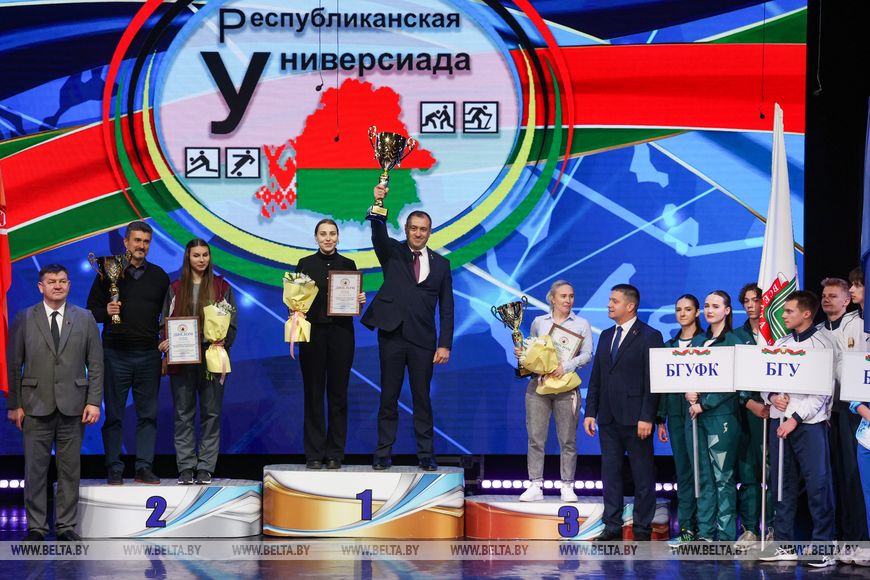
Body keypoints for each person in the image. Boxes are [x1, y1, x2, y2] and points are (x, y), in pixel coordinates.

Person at [6, 264, 103, 540]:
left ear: (69, 285)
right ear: (41, 287)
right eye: (51, 281)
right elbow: (14, 365)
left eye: (62, 281)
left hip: (74, 405)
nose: (57, 285)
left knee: (70, 471)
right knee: (35, 470)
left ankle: (66, 526)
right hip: (34, 405)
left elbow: (96, 364)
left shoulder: (84, 318)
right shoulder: (25, 317)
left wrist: (94, 401)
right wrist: (15, 404)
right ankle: (36, 527)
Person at [362, 185, 454, 471]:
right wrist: (378, 203)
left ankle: (425, 454)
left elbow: (447, 307)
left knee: (422, 398)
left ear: (430, 232)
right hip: (392, 336)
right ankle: (382, 453)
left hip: (423, 340)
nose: (418, 233)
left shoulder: (442, 265)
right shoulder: (392, 253)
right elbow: (378, 233)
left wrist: (445, 344)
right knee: (388, 396)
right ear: (406, 229)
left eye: (423, 229)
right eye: (413, 228)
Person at [87, 220, 170, 484]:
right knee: (114, 416)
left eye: (146, 242)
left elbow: (168, 317)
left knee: (148, 416)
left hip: (149, 356)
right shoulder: (107, 272)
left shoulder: (160, 277)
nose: (141, 246)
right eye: (137, 240)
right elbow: (89, 312)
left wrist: (167, 349)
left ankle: (144, 467)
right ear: (125, 242)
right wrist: (105, 312)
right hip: (115, 355)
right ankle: (114, 468)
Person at [759, 291, 836, 567]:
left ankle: (823, 546)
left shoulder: (822, 345)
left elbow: (823, 392)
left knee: (818, 486)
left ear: (806, 314)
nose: (783, 315)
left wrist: (794, 418)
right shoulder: (780, 343)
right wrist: (771, 397)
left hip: (808, 426)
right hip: (779, 424)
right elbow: (764, 379)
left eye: (789, 311)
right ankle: (784, 544)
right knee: (782, 486)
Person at [583, 284, 663, 541]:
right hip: (608, 418)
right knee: (610, 474)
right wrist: (590, 411)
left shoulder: (650, 336)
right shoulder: (606, 335)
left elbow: (653, 380)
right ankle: (612, 525)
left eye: (614, 301)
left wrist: (648, 416)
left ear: (630, 306)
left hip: (637, 419)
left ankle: (642, 527)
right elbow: (597, 376)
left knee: (642, 475)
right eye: (609, 300)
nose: (609, 305)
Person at [158, 239, 236, 485]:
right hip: (183, 357)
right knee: (183, 414)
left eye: (205, 255)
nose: (201, 259)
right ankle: (186, 466)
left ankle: (205, 467)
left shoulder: (222, 287)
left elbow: (232, 324)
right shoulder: (175, 287)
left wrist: (223, 341)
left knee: (211, 413)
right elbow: (164, 322)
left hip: (212, 355)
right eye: (196, 255)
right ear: (188, 258)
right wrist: (165, 343)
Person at [295, 219, 366, 470]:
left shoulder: (348, 265)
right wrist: (294, 307)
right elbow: (294, 299)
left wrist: (359, 299)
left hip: (341, 334)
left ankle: (335, 452)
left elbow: (354, 302)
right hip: (312, 334)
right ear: (315, 237)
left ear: (338, 237)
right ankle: (314, 453)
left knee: (338, 394)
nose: (328, 238)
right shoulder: (305, 264)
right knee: (313, 393)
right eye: (323, 234)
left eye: (332, 234)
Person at [517, 281, 593, 502]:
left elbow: (588, 354)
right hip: (539, 386)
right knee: (535, 438)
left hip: (566, 387)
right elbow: (533, 350)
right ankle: (535, 484)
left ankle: (567, 485)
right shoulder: (539, 322)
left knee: (568, 439)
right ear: (552, 298)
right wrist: (523, 354)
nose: (568, 300)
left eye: (571, 296)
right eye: (563, 296)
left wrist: (566, 366)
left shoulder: (581, 324)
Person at [685, 291, 742, 542]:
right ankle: (706, 533)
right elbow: (688, 373)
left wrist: (705, 404)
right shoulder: (698, 341)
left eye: (716, 306)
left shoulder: (734, 341)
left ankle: (726, 535)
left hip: (722, 417)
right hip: (697, 417)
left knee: (723, 477)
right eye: (707, 305)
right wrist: (688, 392)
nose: (709, 310)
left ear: (727, 311)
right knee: (704, 477)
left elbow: (733, 382)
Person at [817, 276, 868, 543]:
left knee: (852, 476)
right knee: (830, 476)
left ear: (847, 300)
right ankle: (835, 536)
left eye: (833, 295)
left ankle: (856, 537)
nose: (826, 299)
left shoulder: (859, 324)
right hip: (825, 413)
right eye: (824, 295)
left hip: (853, 411)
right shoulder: (817, 331)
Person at [657, 294, 703, 545]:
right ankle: (687, 528)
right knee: (684, 472)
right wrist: (660, 419)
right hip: (676, 415)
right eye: (678, 310)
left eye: (688, 309)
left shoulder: (706, 342)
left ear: (697, 313)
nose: (682, 313)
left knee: (702, 472)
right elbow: (663, 387)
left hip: (702, 415)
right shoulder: (668, 346)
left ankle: (706, 528)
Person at [731, 283, 770, 548]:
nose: (750, 305)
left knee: (773, 472)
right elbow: (731, 378)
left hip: (774, 410)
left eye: (755, 300)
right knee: (748, 473)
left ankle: (774, 527)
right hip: (745, 413)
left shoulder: (778, 334)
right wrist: (748, 402)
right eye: (746, 301)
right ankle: (749, 529)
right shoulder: (735, 336)